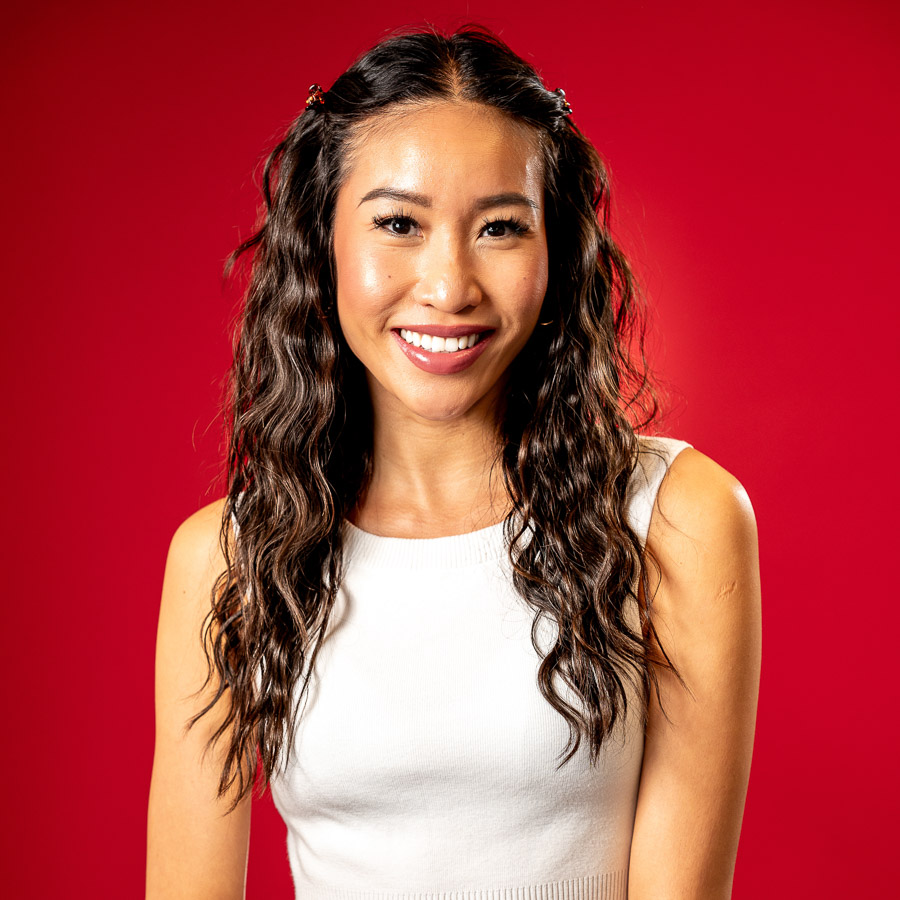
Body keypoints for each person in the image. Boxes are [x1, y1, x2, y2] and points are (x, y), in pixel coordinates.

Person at [146, 23, 761, 900]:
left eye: (501, 228)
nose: (449, 287)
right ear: (322, 242)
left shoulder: (677, 517)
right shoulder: (227, 558)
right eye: (399, 223)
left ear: (557, 252)